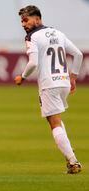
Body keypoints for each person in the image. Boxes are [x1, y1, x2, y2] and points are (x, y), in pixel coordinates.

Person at [14, 5, 83, 174]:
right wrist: (73, 77)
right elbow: (78, 54)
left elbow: (34, 63)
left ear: (37, 19)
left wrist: (22, 77)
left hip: (49, 84)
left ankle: (73, 162)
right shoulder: (57, 32)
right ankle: (70, 158)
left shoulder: (32, 37)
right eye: (22, 21)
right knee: (57, 121)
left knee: (54, 123)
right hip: (64, 82)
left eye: (26, 20)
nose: (23, 24)